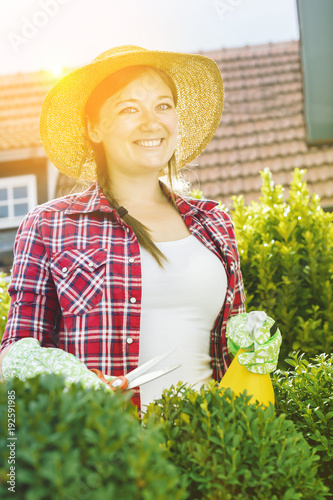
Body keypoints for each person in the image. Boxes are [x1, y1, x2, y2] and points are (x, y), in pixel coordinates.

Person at [0, 45, 280, 411]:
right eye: (129, 108)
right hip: (107, 454)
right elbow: (18, 349)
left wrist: (252, 341)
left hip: (210, 453)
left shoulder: (213, 222)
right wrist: (67, 379)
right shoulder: (49, 224)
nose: (152, 122)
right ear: (93, 127)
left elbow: (230, 350)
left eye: (163, 105)